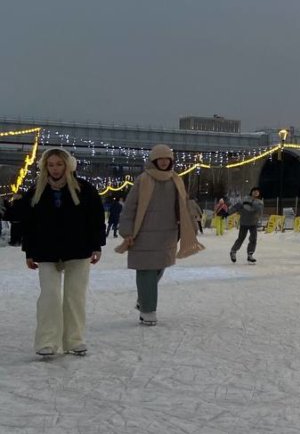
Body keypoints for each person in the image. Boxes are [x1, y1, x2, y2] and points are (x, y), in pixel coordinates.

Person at [11, 148, 105, 357]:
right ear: (45, 167)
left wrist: (97, 246)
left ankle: (75, 340)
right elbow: (28, 223)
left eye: (59, 164)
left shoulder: (84, 189)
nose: (55, 169)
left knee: (75, 297)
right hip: (46, 251)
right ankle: (47, 341)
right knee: (50, 297)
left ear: (67, 165)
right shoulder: (37, 190)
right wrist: (28, 252)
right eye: (51, 165)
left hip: (78, 249)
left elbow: (96, 219)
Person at [115, 144, 204, 326]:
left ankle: (144, 298)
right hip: (143, 233)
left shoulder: (176, 180)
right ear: (154, 161)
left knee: (159, 267)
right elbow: (130, 207)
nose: (164, 162)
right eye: (160, 159)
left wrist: (191, 225)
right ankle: (148, 311)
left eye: (167, 159)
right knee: (146, 271)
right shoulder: (143, 180)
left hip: (168, 233)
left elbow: (184, 204)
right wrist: (127, 230)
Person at [230, 187, 263, 263]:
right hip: (244, 222)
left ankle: (250, 255)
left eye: (257, 192)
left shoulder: (260, 202)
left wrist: (252, 203)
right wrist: (228, 213)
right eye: (254, 191)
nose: (256, 193)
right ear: (251, 192)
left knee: (253, 239)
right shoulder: (245, 199)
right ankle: (233, 251)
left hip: (253, 223)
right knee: (241, 238)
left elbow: (259, 210)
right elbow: (237, 207)